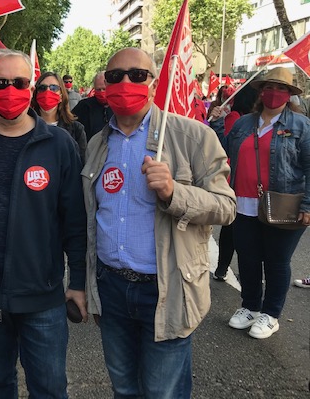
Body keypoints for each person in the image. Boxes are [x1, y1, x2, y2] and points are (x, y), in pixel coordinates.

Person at [82, 48, 236, 398]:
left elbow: (227, 207)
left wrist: (173, 193)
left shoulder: (192, 136)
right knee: (123, 388)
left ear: (153, 84)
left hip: (166, 289)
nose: (126, 82)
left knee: (161, 392)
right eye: (115, 76)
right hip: (111, 287)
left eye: (137, 75)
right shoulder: (97, 145)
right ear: (105, 85)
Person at [0, 49, 87, 398]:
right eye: (1, 83)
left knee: (49, 387)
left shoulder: (59, 144)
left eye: (19, 82)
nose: (10, 90)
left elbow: (75, 220)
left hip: (42, 295)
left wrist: (78, 281)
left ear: (30, 88)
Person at [221, 67, 310, 339]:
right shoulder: (243, 124)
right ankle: (250, 306)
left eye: (281, 88)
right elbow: (223, 151)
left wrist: (307, 205)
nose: (274, 93)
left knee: (276, 261)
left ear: (289, 94)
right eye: (269, 87)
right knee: (248, 258)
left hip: (284, 206)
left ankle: (270, 314)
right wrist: (216, 122)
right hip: (243, 204)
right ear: (260, 92)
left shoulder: (301, 126)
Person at [208, 85, 259, 282]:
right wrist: (217, 122)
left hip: (259, 191)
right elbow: (224, 146)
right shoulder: (239, 121)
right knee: (232, 229)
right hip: (236, 183)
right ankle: (223, 267)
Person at [32, 71, 87, 163]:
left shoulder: (76, 129)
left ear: (61, 96)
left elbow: (81, 163)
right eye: (42, 88)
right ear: (36, 94)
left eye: (54, 88)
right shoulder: (25, 128)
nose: (47, 92)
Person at [71, 72, 113, 141]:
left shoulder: (119, 107)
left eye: (104, 89)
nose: (101, 92)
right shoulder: (84, 106)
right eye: (98, 90)